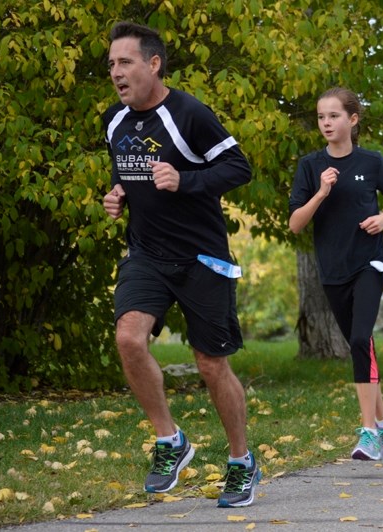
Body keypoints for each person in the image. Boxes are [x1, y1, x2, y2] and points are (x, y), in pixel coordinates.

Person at [102, 21, 260, 508]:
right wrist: (119, 194)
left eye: (125, 62)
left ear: (153, 64)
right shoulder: (114, 121)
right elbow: (128, 170)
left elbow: (239, 167)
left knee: (211, 364)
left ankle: (241, 461)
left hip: (202, 259)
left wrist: (185, 180)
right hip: (147, 254)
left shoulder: (189, 113)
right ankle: (171, 441)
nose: (116, 73)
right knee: (129, 337)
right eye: (111, 65)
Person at [289, 87, 383, 463]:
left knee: (360, 338)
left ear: (352, 120)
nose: (326, 123)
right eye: (321, 117)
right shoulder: (310, 167)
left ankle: (369, 433)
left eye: (334, 116)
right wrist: (321, 193)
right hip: (333, 271)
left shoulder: (371, 162)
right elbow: (295, 224)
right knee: (361, 346)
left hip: (370, 264)